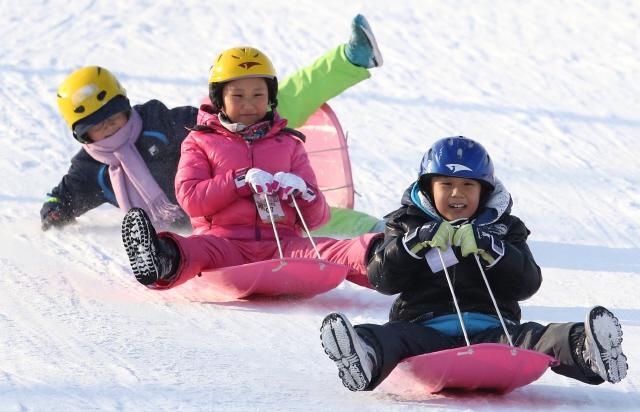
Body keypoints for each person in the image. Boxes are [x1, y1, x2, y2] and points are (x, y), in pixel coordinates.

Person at [319, 136, 628, 391]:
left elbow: (527, 283)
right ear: (428, 188)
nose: (457, 193)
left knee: (535, 337)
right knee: (394, 336)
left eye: (469, 185)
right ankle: (365, 354)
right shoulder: (405, 224)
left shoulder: (505, 228)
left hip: (494, 330)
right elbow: (381, 280)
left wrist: (492, 249)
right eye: (447, 184)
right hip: (424, 328)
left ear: (484, 190)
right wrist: (412, 244)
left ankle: (585, 349)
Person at [41, 15, 383, 232]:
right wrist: (54, 211)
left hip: (235, 155)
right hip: (217, 212)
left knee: (271, 101)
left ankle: (349, 59)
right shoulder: (92, 169)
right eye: (98, 127)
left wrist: (232, 118)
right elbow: (66, 196)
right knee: (300, 218)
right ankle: (381, 231)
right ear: (82, 134)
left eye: (116, 116)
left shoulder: (156, 121)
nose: (111, 128)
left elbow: (202, 120)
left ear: (127, 106)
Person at [120, 45, 383, 290]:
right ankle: (162, 257)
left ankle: (384, 255)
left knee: (328, 250)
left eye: (258, 95)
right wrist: (238, 182)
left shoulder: (289, 144)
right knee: (198, 250)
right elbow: (190, 199)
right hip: (224, 243)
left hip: (284, 245)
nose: (249, 104)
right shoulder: (200, 142)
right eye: (238, 96)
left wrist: (304, 192)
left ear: (270, 97)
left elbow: (318, 219)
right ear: (219, 99)